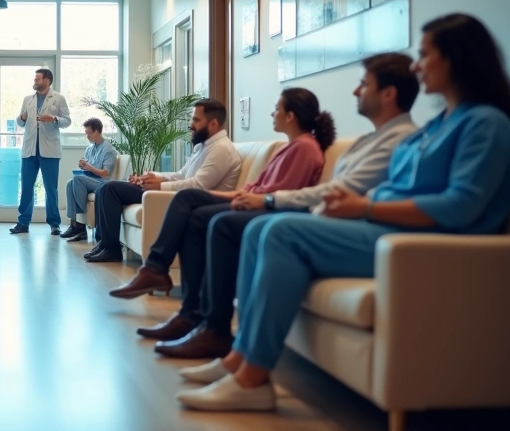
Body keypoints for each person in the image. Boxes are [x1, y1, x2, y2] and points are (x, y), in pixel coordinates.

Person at [176, 13, 510, 412]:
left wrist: (364, 206)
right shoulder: (439, 124)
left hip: (419, 243)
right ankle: (239, 358)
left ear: (456, 58)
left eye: (424, 55)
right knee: (259, 230)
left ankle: (252, 379)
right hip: (384, 228)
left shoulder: (486, 123)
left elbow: (461, 206)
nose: (417, 66)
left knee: (280, 231)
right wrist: (358, 209)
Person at [151, 53, 420, 360]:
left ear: (388, 94)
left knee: (217, 221)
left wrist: (265, 199)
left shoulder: (379, 142)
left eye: (364, 84)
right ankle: (217, 331)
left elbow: (311, 192)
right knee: (199, 212)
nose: (355, 91)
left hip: (304, 213)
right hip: (295, 208)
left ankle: (216, 330)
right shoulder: (363, 141)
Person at [108, 88, 336, 347]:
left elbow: (275, 197)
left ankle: (160, 274)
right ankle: (187, 310)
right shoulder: (290, 148)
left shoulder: (304, 148)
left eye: (277, 109)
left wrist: (225, 196)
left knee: (194, 204)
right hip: (254, 202)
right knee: (194, 214)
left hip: (268, 211)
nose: (272, 114)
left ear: (291, 116)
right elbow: (253, 190)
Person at [86, 99, 242, 263]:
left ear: (213, 124)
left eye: (196, 120)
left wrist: (160, 185)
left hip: (184, 199)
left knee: (110, 189)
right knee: (104, 189)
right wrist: (153, 176)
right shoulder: (205, 146)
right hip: (177, 193)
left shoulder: (221, 149)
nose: (190, 124)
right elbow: (181, 174)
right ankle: (105, 243)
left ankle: (111, 249)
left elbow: (198, 186)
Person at [9, 68, 72, 236]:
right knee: (26, 187)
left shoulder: (58, 98)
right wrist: (22, 118)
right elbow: (20, 122)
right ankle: (23, 222)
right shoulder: (28, 99)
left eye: (38, 78)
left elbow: (67, 121)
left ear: (47, 80)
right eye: (35, 78)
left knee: (50, 188)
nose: (35, 81)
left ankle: (54, 224)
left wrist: (53, 119)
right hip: (30, 149)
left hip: (50, 150)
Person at [60, 118, 118, 242]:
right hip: (89, 179)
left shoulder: (109, 150)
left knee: (77, 180)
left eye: (89, 133)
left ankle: (80, 224)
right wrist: (83, 165)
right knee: (70, 183)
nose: (87, 136)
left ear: (97, 132)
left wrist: (89, 167)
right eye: (86, 133)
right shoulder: (90, 148)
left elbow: (106, 173)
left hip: (102, 182)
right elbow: (87, 166)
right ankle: (75, 225)